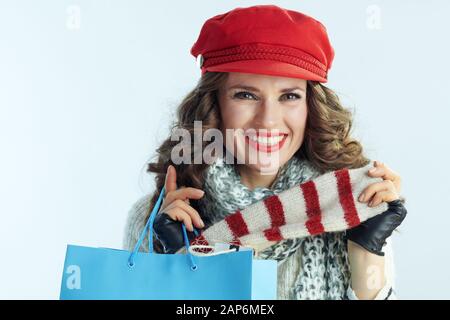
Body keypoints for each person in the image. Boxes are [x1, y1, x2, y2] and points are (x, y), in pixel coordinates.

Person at [123, 4, 406, 300]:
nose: (268, 120)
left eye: (289, 96)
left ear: (310, 108)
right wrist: (181, 261)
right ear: (213, 105)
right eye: (246, 95)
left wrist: (367, 250)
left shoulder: (347, 208)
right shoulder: (155, 221)